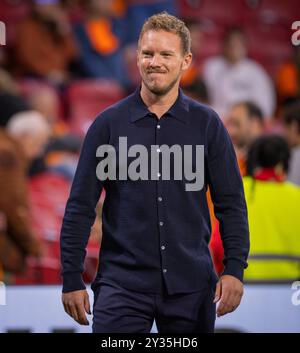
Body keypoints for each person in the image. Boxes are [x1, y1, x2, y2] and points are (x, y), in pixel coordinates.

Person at [60, 12, 249, 333]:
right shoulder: (107, 125)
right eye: (147, 53)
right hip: (121, 286)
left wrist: (234, 270)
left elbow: (231, 204)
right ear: (136, 57)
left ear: (186, 60)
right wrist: (71, 277)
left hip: (191, 287)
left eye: (166, 54)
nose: (155, 62)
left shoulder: (207, 125)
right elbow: (80, 206)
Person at [242, 135, 300, 282]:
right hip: (291, 288)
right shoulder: (296, 195)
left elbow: (217, 243)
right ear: (283, 162)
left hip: (244, 286)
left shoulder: (241, 189)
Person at [203, 27, 275, 119]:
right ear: (224, 46)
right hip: (220, 118)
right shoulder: (212, 67)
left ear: (245, 46)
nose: (235, 48)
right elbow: (206, 100)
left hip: (249, 121)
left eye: (239, 44)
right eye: (232, 44)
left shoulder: (256, 70)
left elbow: (266, 105)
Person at [282, 101, 300, 186]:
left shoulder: (296, 156)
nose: (284, 134)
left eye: (285, 128)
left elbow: (291, 188)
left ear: (294, 126)